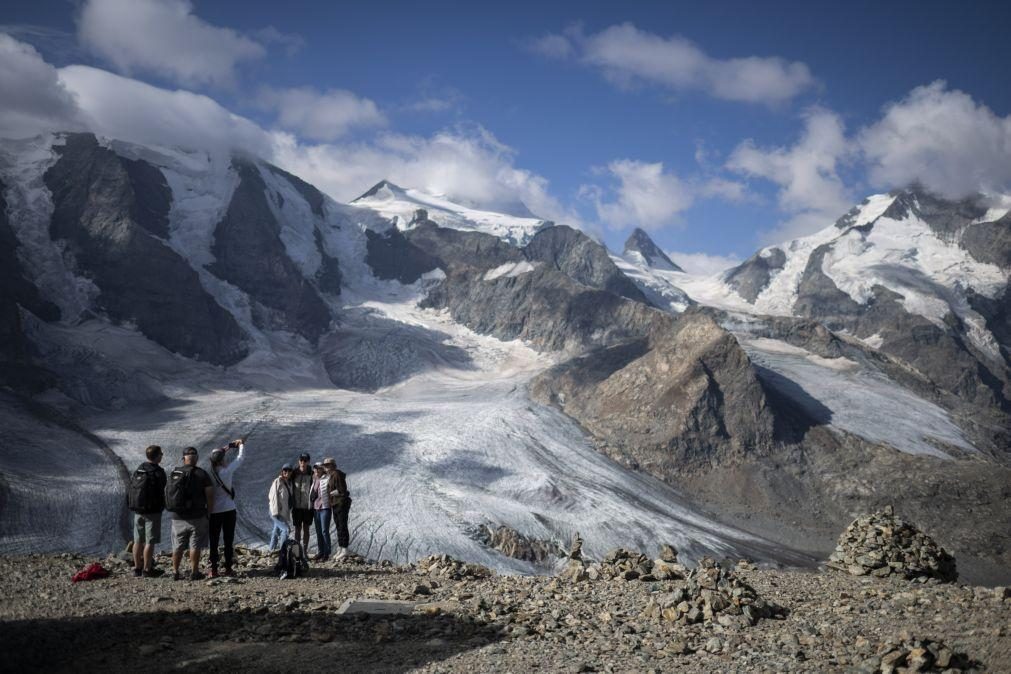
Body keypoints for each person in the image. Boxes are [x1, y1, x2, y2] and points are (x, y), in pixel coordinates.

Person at [166, 447, 214, 581]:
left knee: (177, 545)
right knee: (195, 545)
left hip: (177, 516)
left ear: (183, 458)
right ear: (197, 458)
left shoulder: (175, 473)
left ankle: (175, 571)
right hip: (198, 516)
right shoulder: (202, 474)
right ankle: (194, 572)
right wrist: (208, 513)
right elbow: (210, 495)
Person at [208, 438, 245, 578]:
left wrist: (229, 446)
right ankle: (228, 568)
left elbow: (218, 453)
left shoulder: (209, 472)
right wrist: (241, 445)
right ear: (222, 460)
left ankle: (214, 569)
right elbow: (240, 458)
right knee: (228, 540)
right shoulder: (226, 472)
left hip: (214, 512)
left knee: (214, 540)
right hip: (229, 510)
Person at [128, 445, 167, 578]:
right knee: (150, 541)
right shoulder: (159, 471)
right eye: (160, 454)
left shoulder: (140, 468)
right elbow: (163, 489)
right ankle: (147, 569)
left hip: (138, 510)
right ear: (156, 456)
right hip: (153, 512)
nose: (162, 456)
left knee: (138, 540)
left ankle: (137, 568)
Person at [323, 457, 352, 561]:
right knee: (339, 526)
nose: (326, 467)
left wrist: (331, 493)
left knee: (342, 525)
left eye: (328, 465)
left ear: (333, 465)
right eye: (325, 465)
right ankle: (341, 548)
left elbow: (342, 490)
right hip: (336, 504)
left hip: (340, 503)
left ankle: (344, 549)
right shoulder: (332, 475)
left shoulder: (337, 474)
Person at [290, 452, 314, 556]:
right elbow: (285, 480)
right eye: (301, 460)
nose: (303, 462)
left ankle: (304, 552)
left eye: (305, 460)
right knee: (297, 529)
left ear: (308, 461)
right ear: (299, 461)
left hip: (307, 506)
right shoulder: (294, 473)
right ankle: (296, 552)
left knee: (306, 529)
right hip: (296, 506)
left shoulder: (312, 474)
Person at [267, 464, 294, 552]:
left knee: (276, 530)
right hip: (276, 511)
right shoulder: (278, 481)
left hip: (283, 512)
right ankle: (283, 551)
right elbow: (272, 497)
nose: (287, 472)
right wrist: (275, 512)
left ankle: (271, 549)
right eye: (285, 470)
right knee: (286, 530)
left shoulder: (289, 483)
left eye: (289, 470)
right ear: (282, 471)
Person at [309, 462, 331, 561]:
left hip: (325, 507)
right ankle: (320, 552)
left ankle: (326, 553)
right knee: (318, 532)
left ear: (322, 469)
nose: (317, 470)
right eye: (315, 468)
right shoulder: (314, 479)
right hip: (316, 508)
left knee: (324, 531)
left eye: (319, 468)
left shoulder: (327, 478)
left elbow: (332, 490)